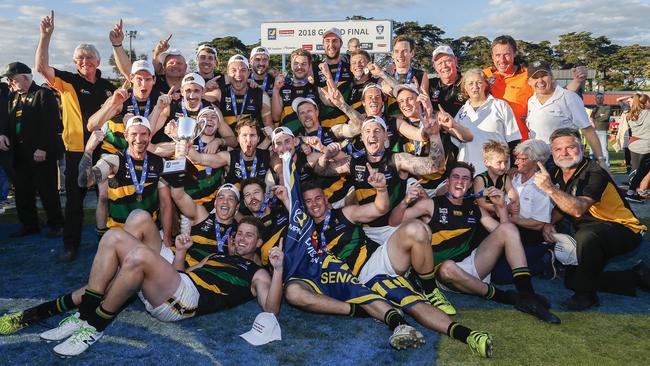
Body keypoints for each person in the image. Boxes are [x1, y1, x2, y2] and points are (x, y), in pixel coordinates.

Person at [0, 210, 284, 358]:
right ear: (233, 239)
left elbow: (271, 307)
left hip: (184, 304)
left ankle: (93, 325)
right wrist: (182, 252)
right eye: (240, 234)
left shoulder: (257, 273)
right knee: (126, 227)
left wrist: (279, 268)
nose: (244, 238)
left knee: (134, 258)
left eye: (250, 236)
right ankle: (72, 312)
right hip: (175, 284)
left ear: (259, 243)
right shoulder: (215, 255)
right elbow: (177, 272)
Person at [389, 161, 561, 324]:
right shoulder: (430, 204)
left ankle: (527, 295)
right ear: (448, 181)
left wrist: (501, 207)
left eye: (465, 178)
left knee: (508, 229)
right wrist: (405, 202)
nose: (460, 181)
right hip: (442, 272)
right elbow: (394, 222)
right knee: (448, 267)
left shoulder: (474, 208)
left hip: (472, 264)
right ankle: (505, 297)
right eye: (456, 177)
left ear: (470, 184)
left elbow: (505, 234)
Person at [534, 128, 649, 310]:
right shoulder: (557, 172)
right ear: (552, 152)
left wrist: (550, 189)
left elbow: (577, 209)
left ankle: (586, 296)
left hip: (624, 229)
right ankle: (635, 276)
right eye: (558, 149)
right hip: (594, 231)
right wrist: (548, 223)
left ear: (582, 147)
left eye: (570, 147)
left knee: (587, 236)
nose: (564, 153)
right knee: (572, 280)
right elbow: (563, 207)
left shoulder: (594, 172)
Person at [35, 10, 116, 261]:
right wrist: (45, 36)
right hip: (76, 152)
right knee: (74, 203)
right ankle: (71, 245)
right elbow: (40, 67)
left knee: (109, 197)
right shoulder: (67, 81)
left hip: (105, 150)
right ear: (75, 62)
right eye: (80, 58)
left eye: (89, 58)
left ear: (98, 62)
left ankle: (112, 243)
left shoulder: (107, 87)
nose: (84, 62)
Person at [314, 116, 445, 244]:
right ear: (361, 137)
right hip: (368, 231)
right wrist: (325, 156)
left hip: (394, 226)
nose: (372, 135)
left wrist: (434, 135)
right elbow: (320, 171)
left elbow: (433, 166)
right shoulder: (352, 162)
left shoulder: (397, 160)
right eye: (367, 131)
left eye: (377, 131)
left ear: (386, 135)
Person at [1, 62, 64, 237]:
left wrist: (42, 148)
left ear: (26, 77)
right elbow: (9, 122)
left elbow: (51, 124)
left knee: (47, 190)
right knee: (22, 192)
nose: (10, 82)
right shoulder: (13, 98)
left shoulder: (43, 94)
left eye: (12, 79)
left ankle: (56, 224)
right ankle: (30, 224)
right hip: (19, 153)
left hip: (40, 153)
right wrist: (3, 134)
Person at [483, 35, 585, 141]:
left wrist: (577, 81)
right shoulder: (484, 75)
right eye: (498, 55)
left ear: (514, 54)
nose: (502, 60)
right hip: (492, 141)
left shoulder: (529, 75)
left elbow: (558, 95)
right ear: (492, 56)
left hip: (521, 142)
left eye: (507, 55)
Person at [78, 116, 166, 231]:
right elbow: (85, 181)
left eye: (143, 134)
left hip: (149, 231)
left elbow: (166, 203)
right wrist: (89, 150)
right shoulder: (114, 161)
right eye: (133, 134)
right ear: (126, 136)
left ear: (150, 136)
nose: (138, 139)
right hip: (120, 233)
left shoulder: (159, 162)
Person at [524, 61, 605, 169]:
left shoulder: (569, 97)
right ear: (529, 81)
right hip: (539, 160)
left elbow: (588, 130)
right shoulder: (531, 101)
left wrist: (601, 160)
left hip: (563, 159)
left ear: (551, 77)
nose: (540, 81)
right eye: (535, 77)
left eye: (544, 76)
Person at [452, 68, 520, 175]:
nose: (475, 86)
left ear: (486, 85)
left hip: (496, 172)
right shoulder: (461, 112)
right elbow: (455, 144)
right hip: (468, 174)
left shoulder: (500, 106)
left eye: (479, 82)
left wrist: (513, 166)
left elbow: (514, 140)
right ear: (465, 87)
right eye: (470, 83)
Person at [272, 48, 320, 133]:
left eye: (304, 64)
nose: (299, 67)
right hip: (288, 140)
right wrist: (276, 89)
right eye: (296, 63)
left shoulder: (316, 88)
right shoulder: (282, 88)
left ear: (309, 66)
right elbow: (276, 117)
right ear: (291, 65)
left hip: (313, 139)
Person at [623, 94, 650, 203]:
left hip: (634, 144)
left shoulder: (631, 114)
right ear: (645, 102)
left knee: (637, 170)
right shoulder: (648, 114)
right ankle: (632, 192)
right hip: (646, 145)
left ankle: (635, 191)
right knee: (642, 171)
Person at [590, 92, 612, 165]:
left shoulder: (607, 107)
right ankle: (593, 165)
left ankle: (606, 165)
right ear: (595, 99)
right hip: (593, 131)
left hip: (603, 130)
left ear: (603, 99)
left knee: (604, 149)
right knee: (592, 149)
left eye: (601, 97)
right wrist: (600, 115)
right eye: (598, 97)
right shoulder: (594, 108)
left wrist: (595, 117)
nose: (599, 99)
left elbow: (605, 117)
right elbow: (590, 119)